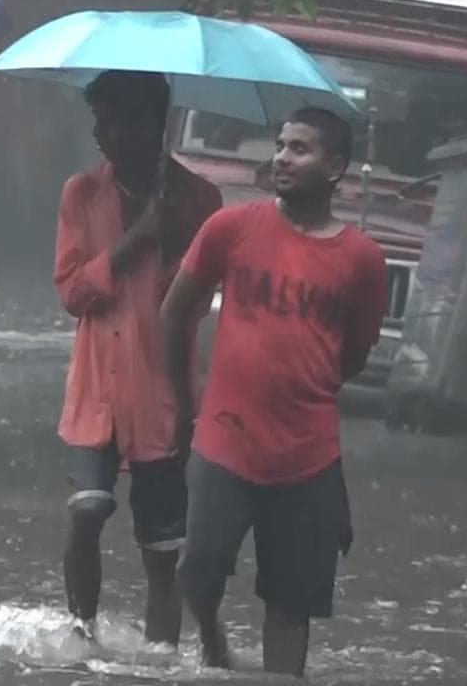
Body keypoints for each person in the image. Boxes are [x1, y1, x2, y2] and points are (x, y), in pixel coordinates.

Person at [160, 108, 389, 676]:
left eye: (301, 149)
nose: (283, 157)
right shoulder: (232, 228)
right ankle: (214, 647)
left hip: (308, 455)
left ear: (335, 167)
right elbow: (175, 312)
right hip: (224, 436)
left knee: (291, 603)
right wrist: (186, 405)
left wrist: (302, 388)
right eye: (281, 145)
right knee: (198, 567)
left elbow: (354, 354)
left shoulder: (363, 259)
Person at [55, 71, 221, 646]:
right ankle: (80, 633)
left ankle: (160, 658)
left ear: (149, 123)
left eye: (112, 119)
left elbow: (194, 303)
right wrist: (133, 242)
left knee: (162, 549)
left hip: (162, 391)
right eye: (96, 119)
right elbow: (73, 292)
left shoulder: (201, 200)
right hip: (95, 387)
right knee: (87, 509)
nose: (99, 133)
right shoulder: (81, 193)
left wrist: (173, 241)